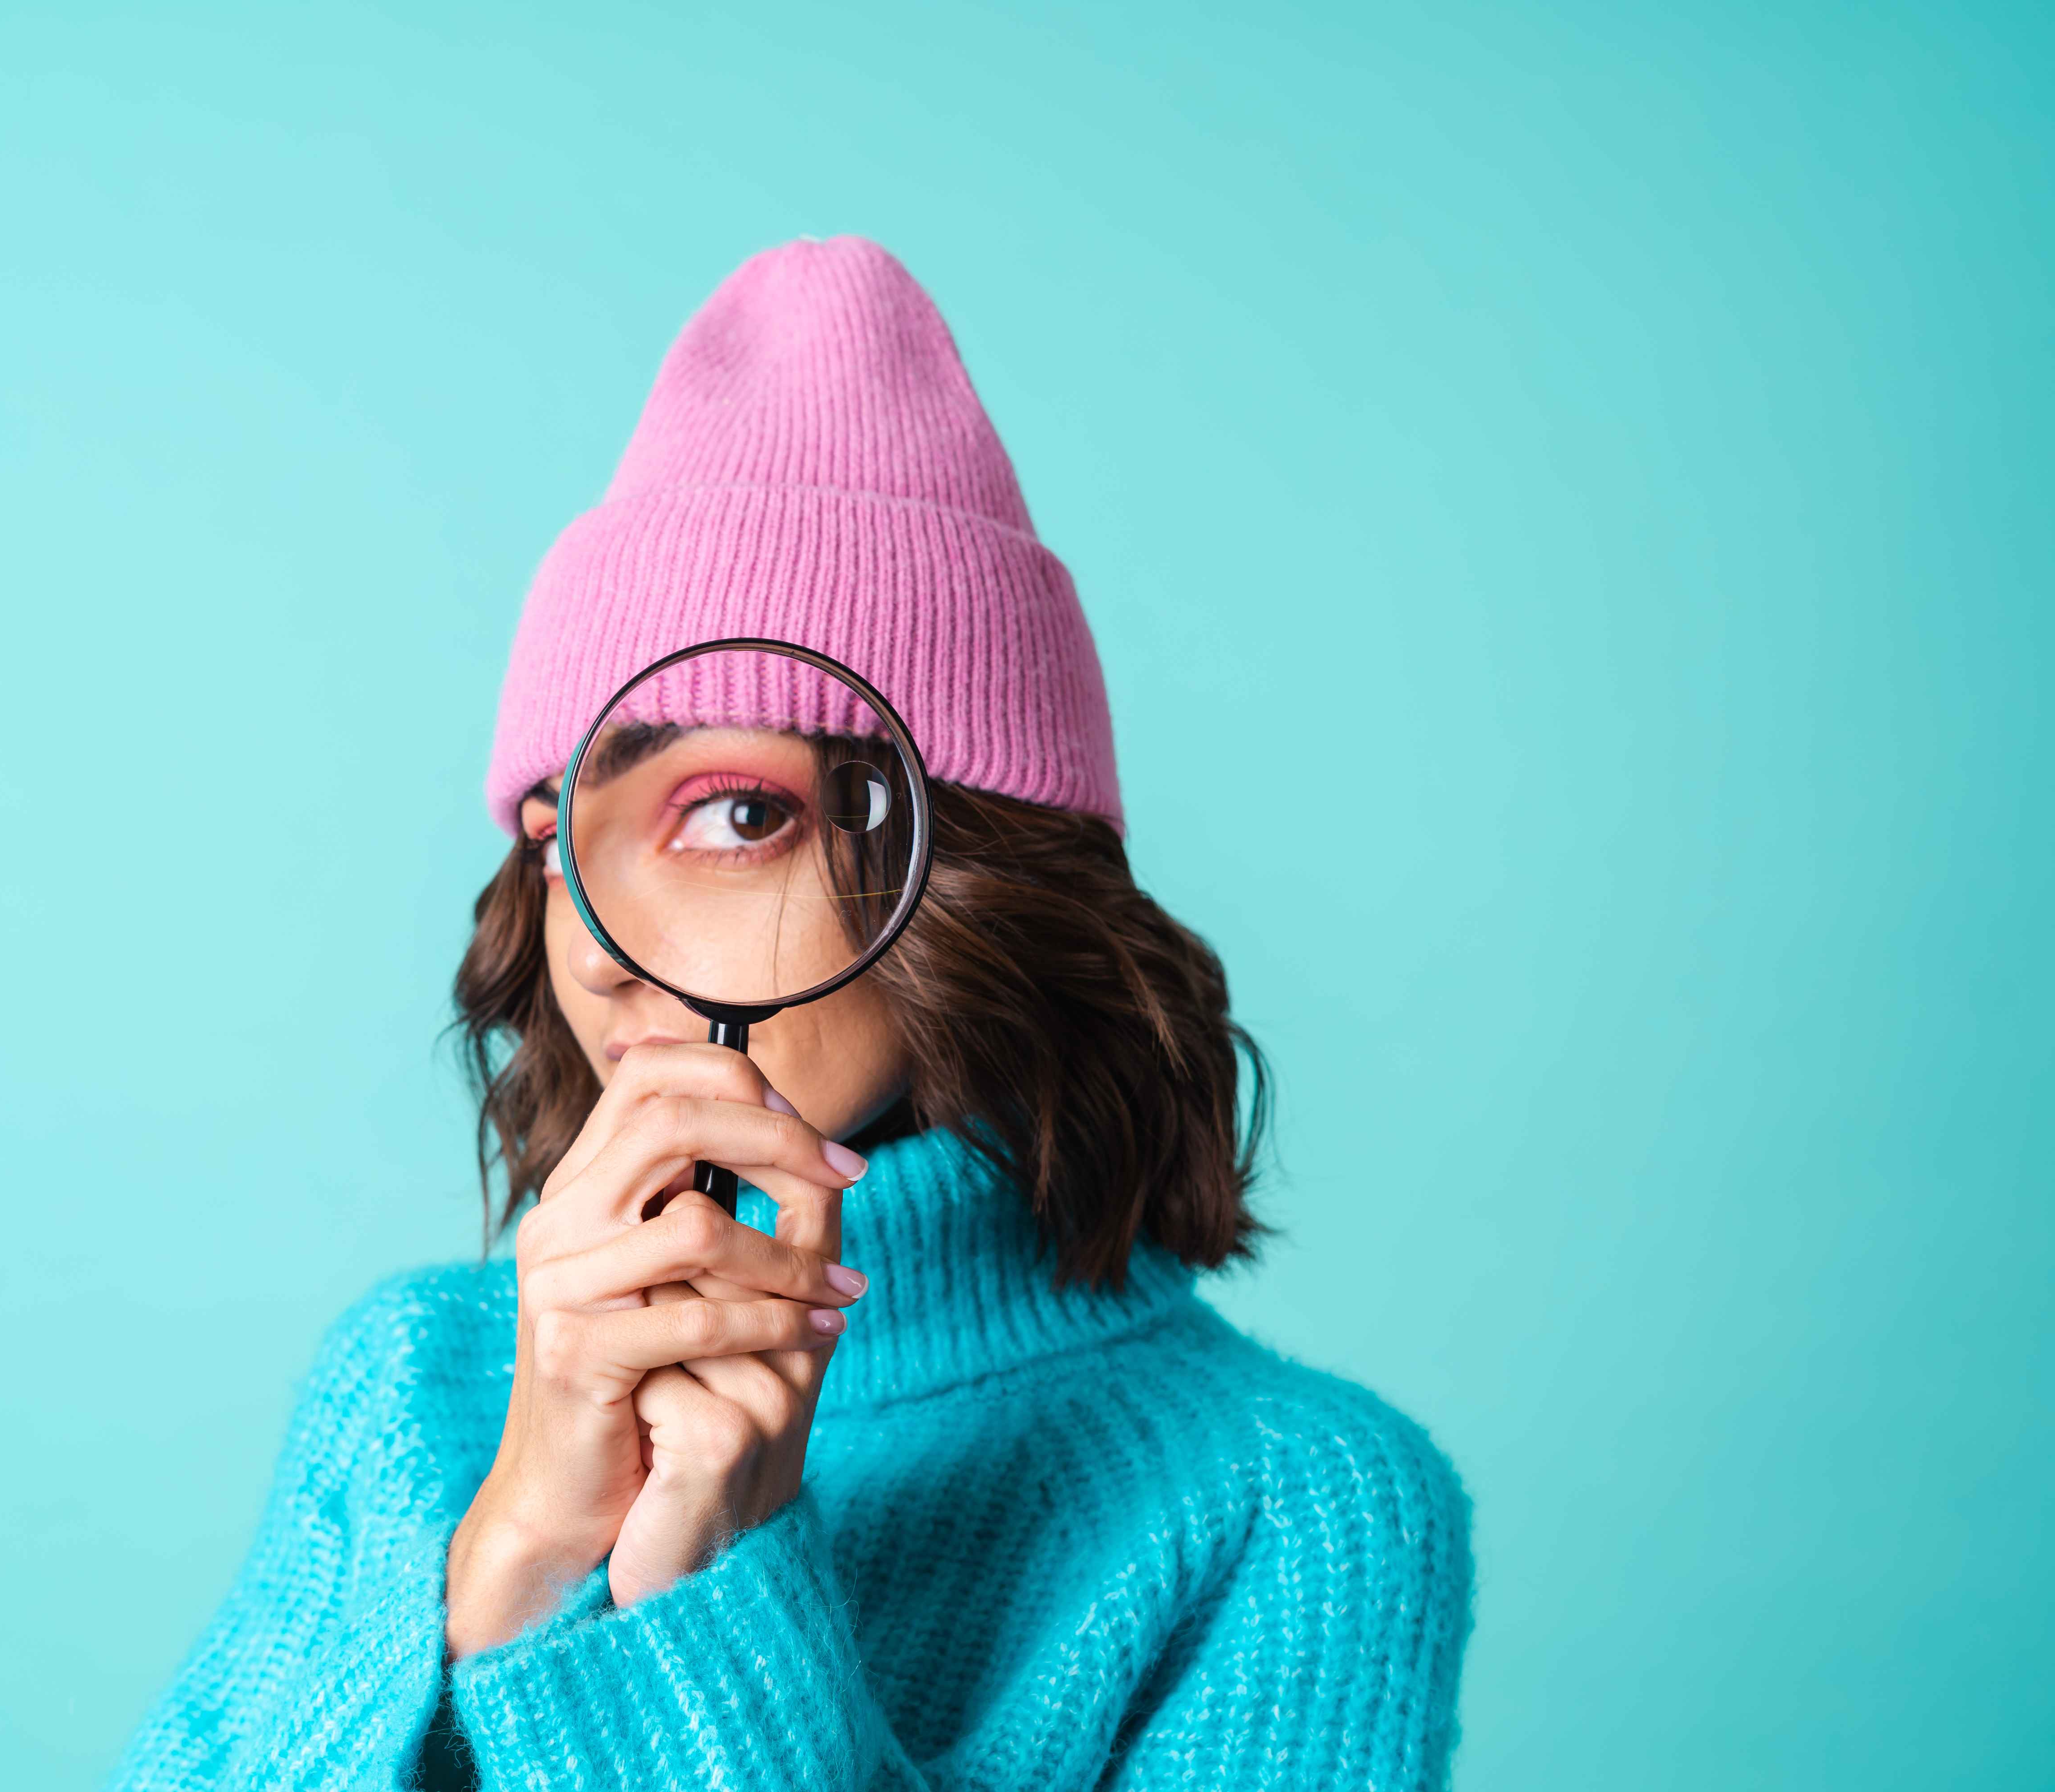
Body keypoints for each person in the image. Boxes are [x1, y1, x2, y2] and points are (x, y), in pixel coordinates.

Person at [107, 237, 1472, 1791]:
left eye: (734, 816)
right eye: (566, 842)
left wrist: (705, 1602)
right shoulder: (413, 1393)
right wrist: (518, 1558)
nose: (604, 957)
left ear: (967, 874)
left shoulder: (1296, 1508)